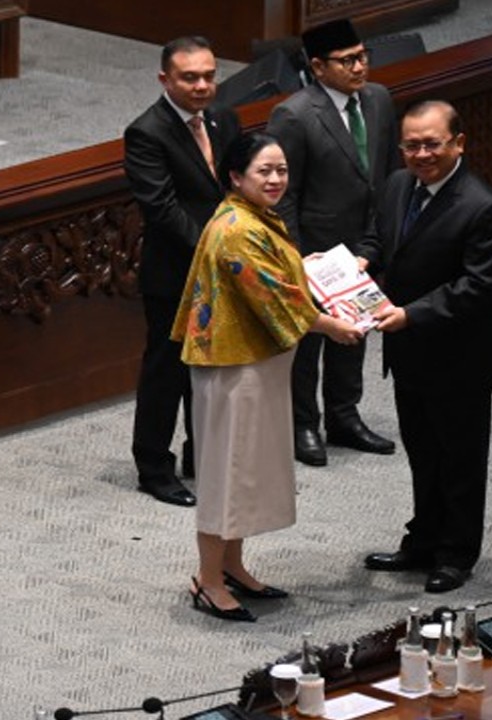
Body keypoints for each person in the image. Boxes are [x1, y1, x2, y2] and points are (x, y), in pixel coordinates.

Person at [172, 134, 362, 622]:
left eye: (281, 169)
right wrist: (331, 323)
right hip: (234, 369)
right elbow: (274, 297)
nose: (276, 179)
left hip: (257, 363)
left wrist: (315, 267)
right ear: (236, 177)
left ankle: (232, 565)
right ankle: (208, 580)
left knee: (246, 473)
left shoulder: (253, 216)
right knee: (226, 474)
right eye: (264, 171)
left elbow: (280, 273)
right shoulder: (236, 228)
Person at [358, 101, 492, 594]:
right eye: (411, 145)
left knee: (460, 460)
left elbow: (474, 287)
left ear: (458, 143)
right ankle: (422, 541)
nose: (421, 154)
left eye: (432, 144)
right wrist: (364, 260)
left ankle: (455, 553)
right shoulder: (400, 184)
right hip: (409, 354)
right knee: (423, 453)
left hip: (460, 358)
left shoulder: (483, 206)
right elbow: (382, 237)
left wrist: (411, 315)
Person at [266, 18, 398, 466]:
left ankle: (344, 415)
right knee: (309, 342)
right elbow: (284, 194)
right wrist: (298, 257)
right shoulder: (295, 114)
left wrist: (376, 241)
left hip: (364, 242)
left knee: (355, 333)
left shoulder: (378, 99)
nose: (360, 67)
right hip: (315, 249)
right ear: (318, 67)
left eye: (363, 56)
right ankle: (303, 422)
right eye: (348, 61)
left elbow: (382, 174)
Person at [124, 36, 242, 508]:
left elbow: (238, 182)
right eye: (190, 77)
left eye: (209, 75)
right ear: (164, 80)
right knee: (167, 371)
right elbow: (162, 209)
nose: (202, 85)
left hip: (222, 269)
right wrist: (218, 251)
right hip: (176, 271)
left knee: (212, 367)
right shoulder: (147, 132)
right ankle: (153, 466)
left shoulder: (224, 118)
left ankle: (203, 455)